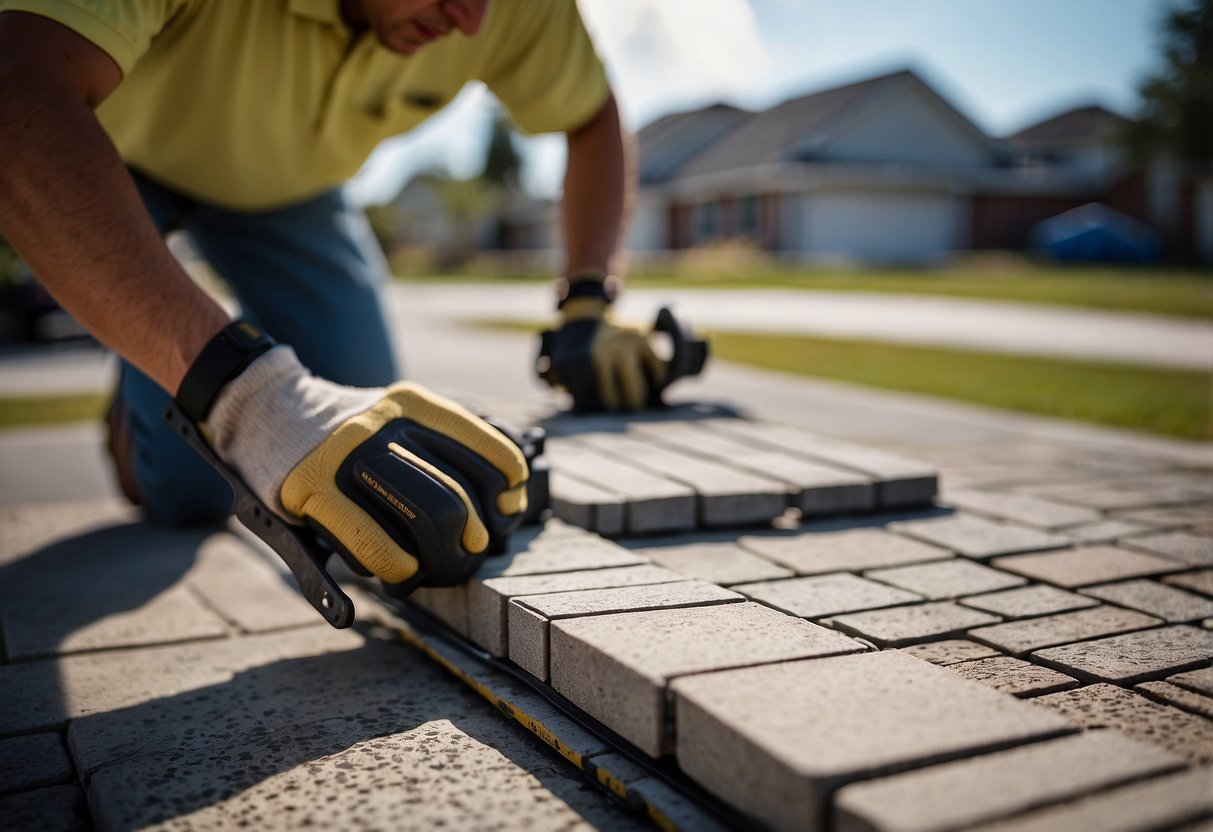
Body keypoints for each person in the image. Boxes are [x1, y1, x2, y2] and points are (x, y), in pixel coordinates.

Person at [0, 0, 661, 591]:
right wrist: (252, 400)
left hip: (290, 190)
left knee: (351, 444)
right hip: (109, 152)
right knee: (190, 493)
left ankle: (171, 349)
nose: (472, 21)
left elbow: (591, 117)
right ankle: (141, 406)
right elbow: (16, 91)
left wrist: (586, 301)